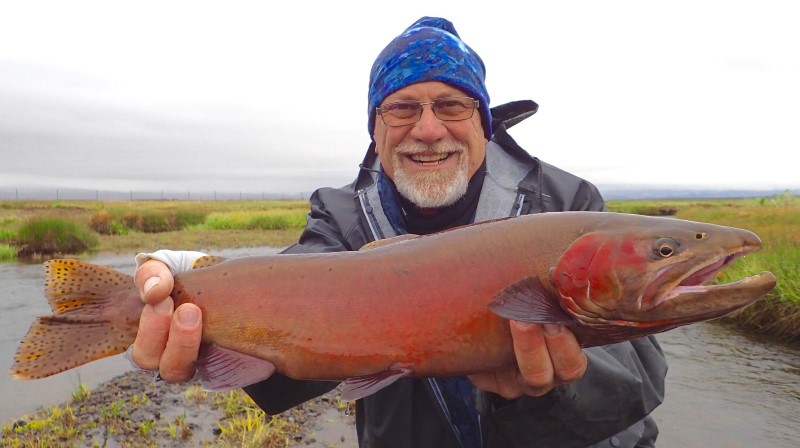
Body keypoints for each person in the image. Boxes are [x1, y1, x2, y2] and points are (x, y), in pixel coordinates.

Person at [126, 17, 667, 447]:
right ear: (376, 128)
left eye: (452, 106)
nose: (428, 130)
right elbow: (293, 311)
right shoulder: (340, 217)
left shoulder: (568, 206)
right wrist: (191, 284)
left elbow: (638, 378)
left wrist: (541, 394)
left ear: (484, 121)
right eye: (402, 109)